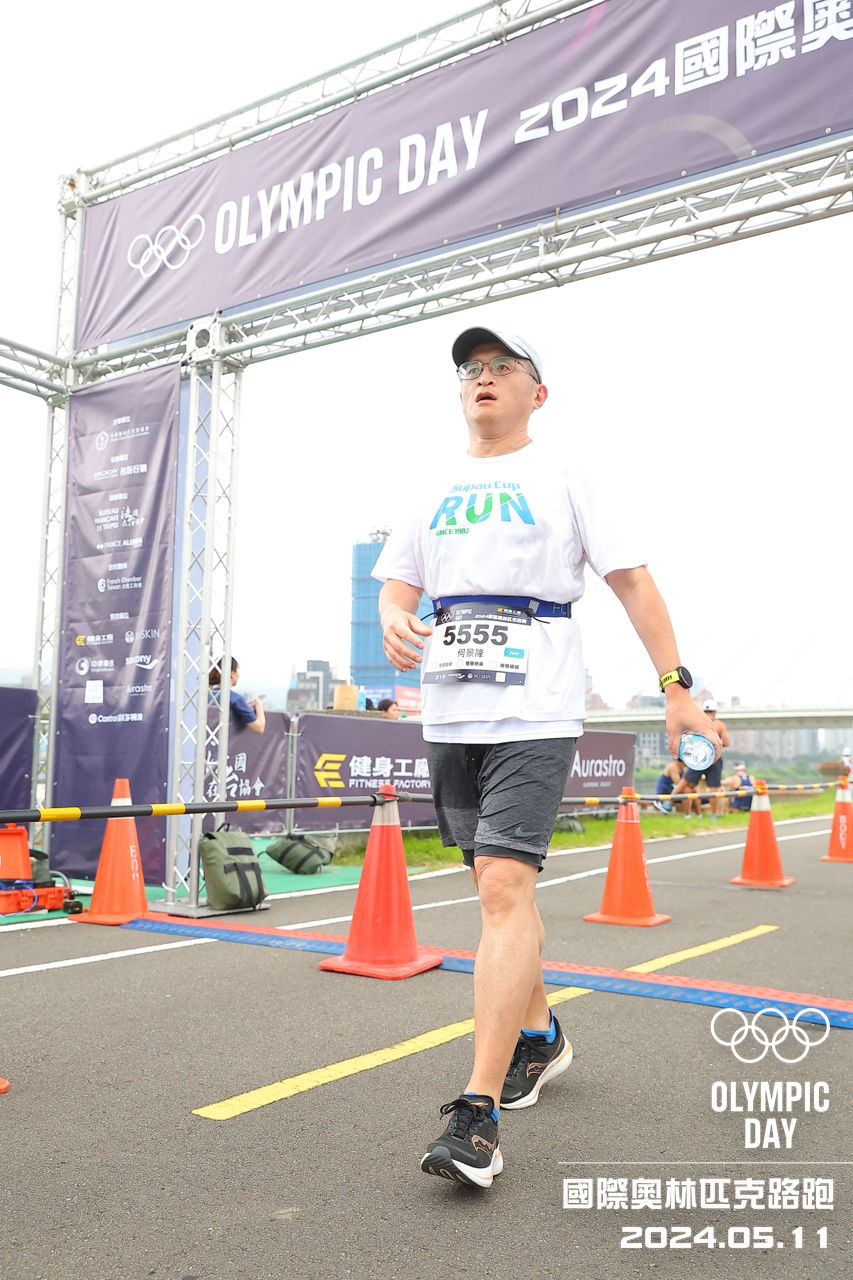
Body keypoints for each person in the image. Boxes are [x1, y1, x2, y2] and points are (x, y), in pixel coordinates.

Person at [373, 324, 721, 1189]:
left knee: (502, 884)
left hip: (536, 704)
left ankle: (476, 1116)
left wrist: (675, 686)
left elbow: (631, 579)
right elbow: (398, 581)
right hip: (450, 711)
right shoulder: (430, 484)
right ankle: (540, 1036)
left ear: (538, 392)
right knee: (492, 887)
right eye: (471, 369)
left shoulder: (566, 473)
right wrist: (392, 616)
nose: (482, 377)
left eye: (502, 366)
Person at [671, 698, 729, 817]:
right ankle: (713, 815)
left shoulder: (696, 723)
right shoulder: (720, 725)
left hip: (697, 757)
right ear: (715, 711)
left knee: (687, 783)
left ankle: (669, 804)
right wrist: (714, 742)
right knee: (713, 788)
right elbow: (726, 742)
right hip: (714, 758)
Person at [208, 657, 265, 735]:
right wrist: (259, 706)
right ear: (232, 673)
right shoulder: (236, 699)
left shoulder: (208, 695)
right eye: (237, 671)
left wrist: (244, 705)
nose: (238, 675)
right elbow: (259, 728)